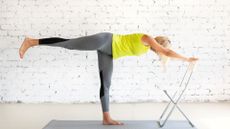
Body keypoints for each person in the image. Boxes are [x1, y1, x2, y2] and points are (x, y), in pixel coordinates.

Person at [19, 32, 198, 125]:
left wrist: (170, 58)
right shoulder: (147, 38)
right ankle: (32, 41)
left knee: (106, 83)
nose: (160, 51)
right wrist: (186, 59)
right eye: (161, 48)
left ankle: (106, 118)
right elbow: (166, 51)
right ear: (159, 43)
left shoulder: (147, 49)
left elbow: (164, 53)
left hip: (108, 52)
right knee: (70, 44)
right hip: (104, 41)